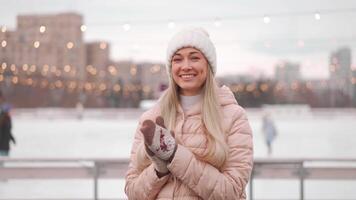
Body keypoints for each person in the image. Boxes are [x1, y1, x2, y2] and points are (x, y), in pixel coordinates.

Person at [125, 27, 253, 200]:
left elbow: (230, 192)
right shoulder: (151, 119)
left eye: (194, 58)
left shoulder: (234, 117)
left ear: (208, 65)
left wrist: (174, 155)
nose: (186, 66)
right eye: (178, 60)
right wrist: (159, 170)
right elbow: (133, 193)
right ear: (171, 69)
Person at [0, 93, 15, 158]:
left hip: (6, 145)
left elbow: (8, 131)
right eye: (10, 110)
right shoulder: (3, 120)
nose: (11, 112)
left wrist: (12, 138)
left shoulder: (8, 119)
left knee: (4, 160)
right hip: (2, 145)